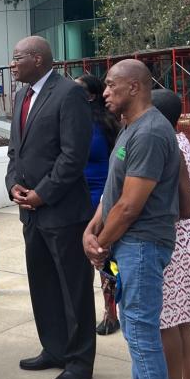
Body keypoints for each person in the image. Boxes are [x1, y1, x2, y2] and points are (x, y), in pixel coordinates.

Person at [85, 59, 181, 379]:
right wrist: (92, 228)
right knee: (137, 332)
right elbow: (115, 191)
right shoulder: (130, 128)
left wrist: (102, 242)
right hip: (128, 243)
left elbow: (130, 205)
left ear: (136, 87)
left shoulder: (152, 132)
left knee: (141, 335)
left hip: (140, 244)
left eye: (111, 85)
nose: (105, 92)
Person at [109, 90, 190, 379]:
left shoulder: (156, 141)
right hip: (187, 237)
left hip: (169, 237)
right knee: (180, 322)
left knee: (161, 323)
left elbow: (132, 202)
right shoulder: (180, 139)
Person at [6, 37, 95, 379]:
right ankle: (55, 349)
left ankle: (79, 360)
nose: (12, 65)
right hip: (31, 213)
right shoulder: (21, 97)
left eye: (17, 58)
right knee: (42, 284)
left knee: (73, 289)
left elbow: (74, 155)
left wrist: (43, 193)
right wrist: (13, 185)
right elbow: (16, 151)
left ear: (38, 59)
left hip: (62, 211)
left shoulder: (68, 94)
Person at [76, 73, 122, 337]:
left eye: (79, 90)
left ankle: (111, 311)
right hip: (78, 200)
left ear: (91, 95)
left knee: (106, 260)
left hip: (102, 199)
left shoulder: (106, 123)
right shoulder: (75, 122)